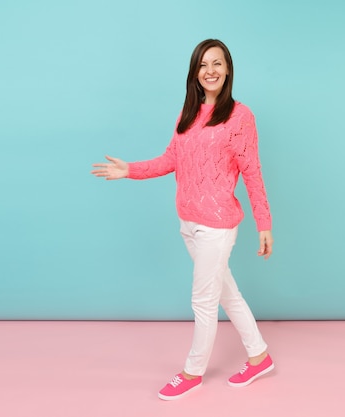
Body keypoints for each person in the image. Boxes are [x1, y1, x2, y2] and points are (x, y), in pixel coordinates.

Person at [91, 39, 275, 401]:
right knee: (227, 293)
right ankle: (259, 356)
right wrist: (129, 170)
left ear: (228, 69)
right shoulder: (186, 114)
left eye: (218, 63)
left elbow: (252, 172)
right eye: (204, 64)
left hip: (218, 225)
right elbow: (169, 160)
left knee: (203, 300)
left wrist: (264, 223)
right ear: (195, 72)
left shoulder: (240, 117)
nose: (211, 70)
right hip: (188, 222)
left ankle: (192, 372)